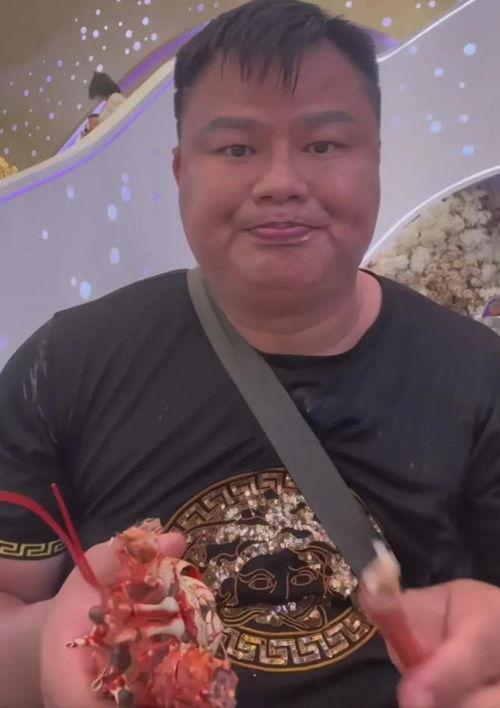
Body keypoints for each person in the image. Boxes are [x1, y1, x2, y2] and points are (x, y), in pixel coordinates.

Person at [1, 1, 500, 706]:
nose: (281, 182)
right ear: (181, 170)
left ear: (375, 160)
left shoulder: (480, 379)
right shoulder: (63, 366)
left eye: (324, 145)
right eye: (237, 149)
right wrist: (57, 642)